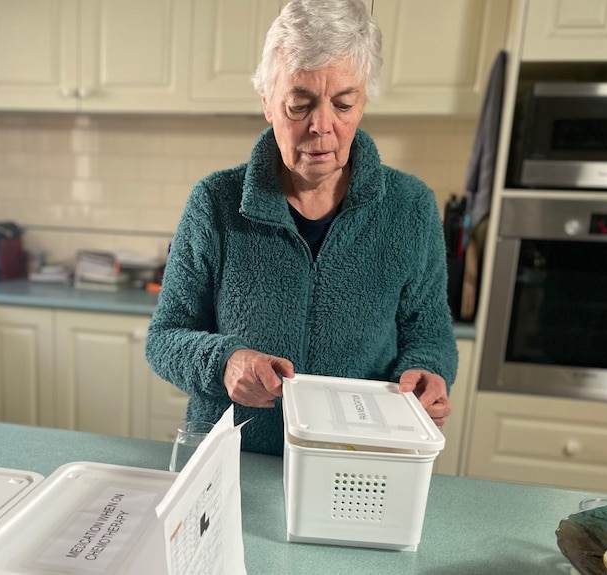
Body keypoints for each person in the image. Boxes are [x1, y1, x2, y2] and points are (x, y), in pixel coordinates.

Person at [145, 0, 458, 455]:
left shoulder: (410, 209)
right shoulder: (216, 203)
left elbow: (429, 336)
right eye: (299, 105)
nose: (322, 127)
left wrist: (427, 374)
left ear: (364, 102)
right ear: (268, 103)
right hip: (234, 461)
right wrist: (225, 363)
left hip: (356, 466)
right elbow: (165, 336)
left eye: (344, 103)